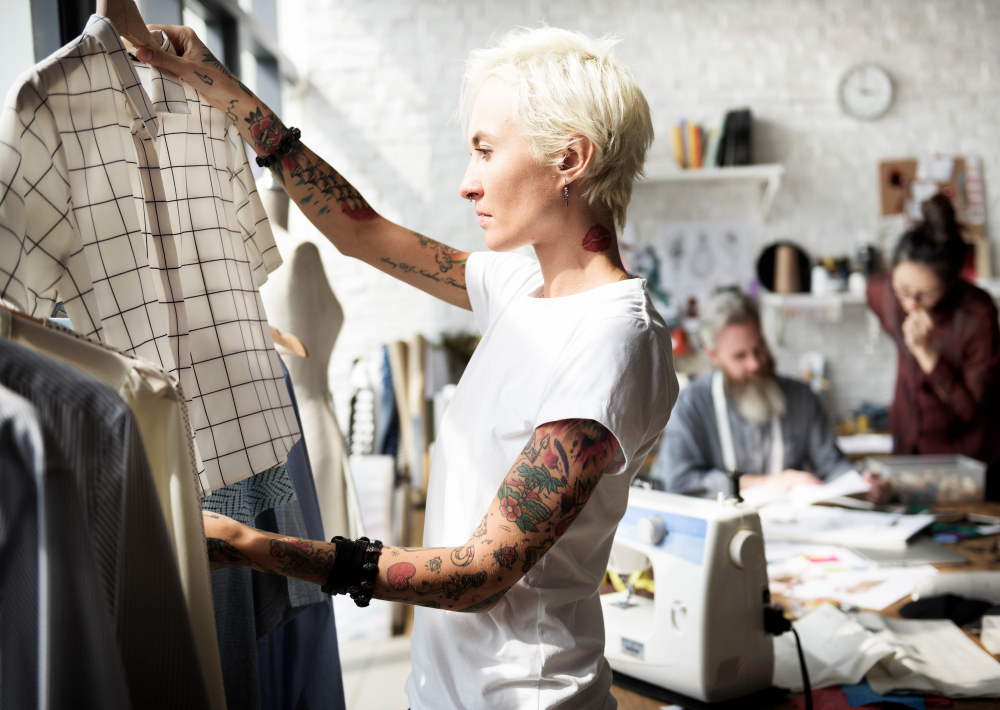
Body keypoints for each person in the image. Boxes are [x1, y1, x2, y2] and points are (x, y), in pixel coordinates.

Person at [136, 25, 677, 709]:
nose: (466, 183)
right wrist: (221, 86)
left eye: (484, 151)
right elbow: (360, 232)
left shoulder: (611, 343)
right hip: (447, 691)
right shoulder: (518, 291)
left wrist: (256, 545)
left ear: (570, 158)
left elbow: (481, 572)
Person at [653, 290, 892, 503]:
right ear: (713, 356)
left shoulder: (801, 397)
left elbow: (831, 465)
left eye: (759, 349)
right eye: (740, 356)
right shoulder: (691, 404)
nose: (755, 363)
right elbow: (679, 481)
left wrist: (860, 482)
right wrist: (776, 482)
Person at [867, 195, 1000, 498]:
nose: (911, 305)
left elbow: (971, 411)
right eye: (902, 290)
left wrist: (926, 353)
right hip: (907, 454)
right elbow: (871, 288)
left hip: (965, 466)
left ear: (951, 282)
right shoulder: (884, 294)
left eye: (924, 295)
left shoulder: (977, 313)